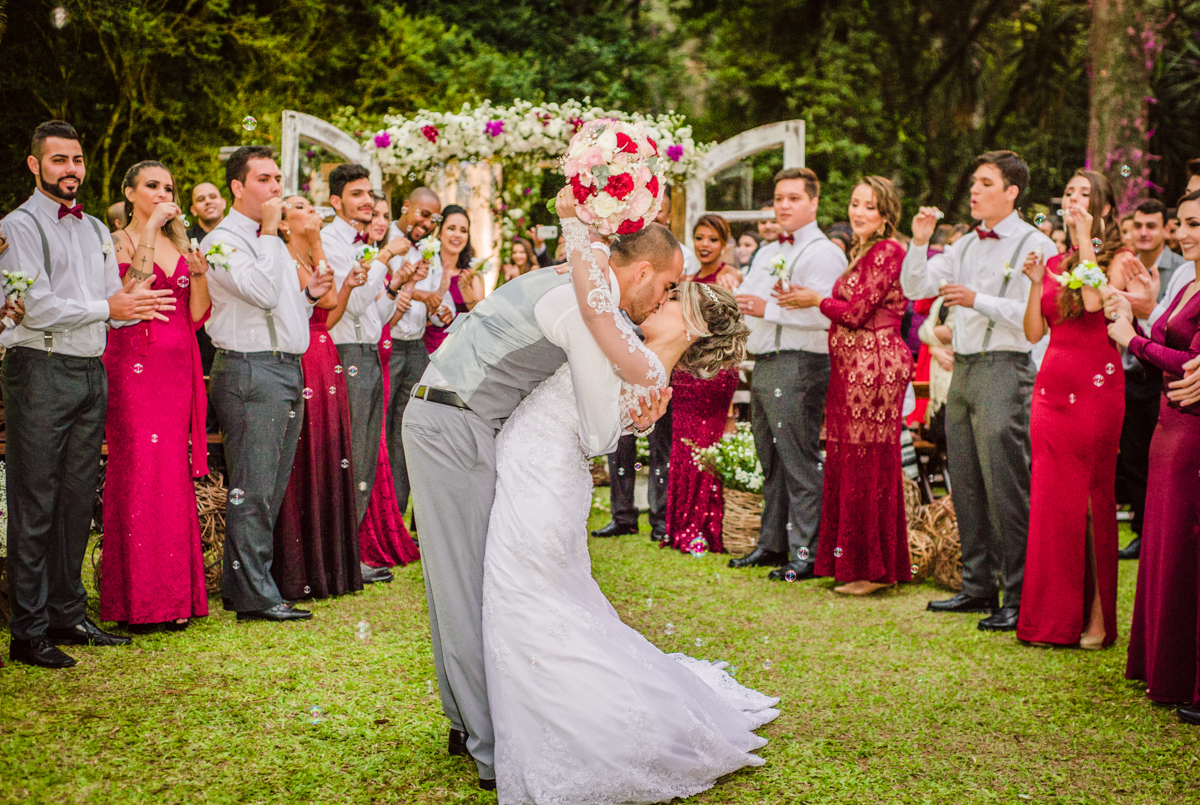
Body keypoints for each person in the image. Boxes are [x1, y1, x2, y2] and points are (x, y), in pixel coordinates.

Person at [401, 186, 678, 789]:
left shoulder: (575, 283)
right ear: (644, 269)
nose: (665, 298)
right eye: (667, 286)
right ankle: (490, 747)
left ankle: (465, 720)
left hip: (460, 422)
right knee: (465, 585)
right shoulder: (583, 305)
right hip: (453, 424)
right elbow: (600, 427)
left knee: (462, 580)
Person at [481, 279, 775, 804]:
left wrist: (582, 242)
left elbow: (602, 409)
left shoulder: (644, 361)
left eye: (673, 299)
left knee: (528, 594)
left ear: (697, 325)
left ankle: (575, 719)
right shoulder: (643, 358)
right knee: (542, 595)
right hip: (540, 464)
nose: (660, 299)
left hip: (544, 474)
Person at [1, 120, 175, 668]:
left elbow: (108, 299)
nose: (70, 169)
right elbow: (37, 305)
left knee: (77, 499)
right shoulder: (19, 225)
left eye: (76, 160)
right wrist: (110, 309)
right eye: (58, 160)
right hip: (39, 368)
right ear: (35, 165)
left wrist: (130, 302)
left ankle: (67, 613)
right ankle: (27, 631)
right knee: (35, 500)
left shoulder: (96, 227)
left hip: (88, 370)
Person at [900, 150, 1055, 632]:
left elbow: (1036, 317)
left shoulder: (1036, 244)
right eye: (973, 182)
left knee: (1005, 484)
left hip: (1006, 369)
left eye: (985, 183)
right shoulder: (965, 243)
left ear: (1012, 192)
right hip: (964, 371)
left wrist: (977, 300)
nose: (974, 190)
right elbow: (915, 285)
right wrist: (919, 242)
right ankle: (977, 585)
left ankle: (1019, 592)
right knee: (963, 478)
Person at [201, 145, 333, 623]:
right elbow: (257, 290)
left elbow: (281, 304)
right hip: (250, 369)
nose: (276, 188)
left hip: (284, 367)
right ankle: (256, 595)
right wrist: (273, 232)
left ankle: (245, 586)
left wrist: (308, 294)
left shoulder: (264, 240)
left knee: (271, 485)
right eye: (264, 179)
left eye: (278, 179)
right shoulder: (221, 241)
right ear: (238, 187)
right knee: (254, 487)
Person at [1016, 169, 1133, 649]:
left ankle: (1099, 618)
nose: (1074, 200)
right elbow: (1032, 333)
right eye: (1069, 193)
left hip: (1094, 387)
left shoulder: (1118, 259)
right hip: (1051, 388)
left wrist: (1086, 237)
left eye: (1086, 195)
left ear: (1105, 207)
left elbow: (1090, 304)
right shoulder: (1056, 258)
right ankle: (1051, 619)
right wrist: (1033, 281)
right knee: (1049, 502)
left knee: (1090, 498)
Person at [781, 177, 914, 595]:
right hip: (852, 364)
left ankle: (869, 570)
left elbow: (856, 312)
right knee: (849, 458)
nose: (858, 213)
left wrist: (815, 300)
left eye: (869, 207)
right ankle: (853, 562)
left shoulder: (889, 250)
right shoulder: (863, 252)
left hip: (874, 365)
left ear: (887, 214)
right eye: (855, 204)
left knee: (865, 461)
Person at [101, 160, 212, 632]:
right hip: (132, 368)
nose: (163, 193)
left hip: (177, 370)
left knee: (170, 472)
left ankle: (174, 599)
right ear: (130, 193)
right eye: (152, 186)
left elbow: (197, 313)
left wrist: (201, 274)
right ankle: (138, 601)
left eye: (168, 186)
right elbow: (134, 289)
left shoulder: (183, 244)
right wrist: (147, 228)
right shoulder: (116, 243)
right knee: (140, 472)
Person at [1107, 190, 1200, 724]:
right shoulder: (1186, 281)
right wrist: (1136, 322)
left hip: (1192, 431)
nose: (1184, 234)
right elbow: (1166, 348)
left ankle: (1188, 675)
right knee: (1164, 548)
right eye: (1181, 224)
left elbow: (1191, 362)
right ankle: (1163, 666)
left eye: (1195, 224)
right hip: (1167, 428)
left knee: (1188, 549)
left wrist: (1132, 341)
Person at [728, 167, 847, 581]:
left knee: (798, 459)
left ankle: (807, 552)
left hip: (800, 363)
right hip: (764, 361)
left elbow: (829, 315)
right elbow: (752, 300)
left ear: (813, 202)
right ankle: (771, 543)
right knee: (770, 458)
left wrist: (769, 310)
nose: (784, 204)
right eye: (779, 197)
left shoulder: (824, 253)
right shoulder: (765, 251)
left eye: (794, 197)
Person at [269, 194, 363, 600]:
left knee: (327, 453)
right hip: (302, 356)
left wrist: (343, 285)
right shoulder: (285, 261)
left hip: (325, 353)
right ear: (285, 223)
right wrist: (320, 245)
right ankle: (297, 564)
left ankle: (328, 563)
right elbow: (317, 302)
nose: (313, 213)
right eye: (302, 208)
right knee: (303, 457)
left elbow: (329, 312)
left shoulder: (308, 261)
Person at [319, 165, 405, 589]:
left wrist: (394, 287)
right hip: (343, 353)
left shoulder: (365, 242)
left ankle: (351, 552)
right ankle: (339, 557)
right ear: (336, 202)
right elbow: (349, 307)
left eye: (370, 194)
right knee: (348, 455)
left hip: (369, 354)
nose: (368, 201)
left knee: (367, 456)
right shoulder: (333, 242)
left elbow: (376, 312)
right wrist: (385, 258)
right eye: (357, 194)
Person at [664, 214, 744, 555]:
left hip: (715, 368)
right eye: (699, 238)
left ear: (723, 244)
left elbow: (728, 327)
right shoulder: (688, 279)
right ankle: (680, 525)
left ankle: (705, 527)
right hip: (685, 369)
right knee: (682, 446)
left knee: (705, 445)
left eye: (712, 239)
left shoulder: (729, 278)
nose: (705, 244)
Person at [1116, 198, 1187, 560]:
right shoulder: (1122, 265)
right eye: (1138, 225)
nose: (1144, 233)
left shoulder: (1184, 267)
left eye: (1152, 226)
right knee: (1132, 457)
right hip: (1129, 374)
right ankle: (1143, 530)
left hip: (1168, 376)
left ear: (1165, 230)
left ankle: (1162, 532)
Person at [357, 194, 420, 569]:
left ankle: (378, 531)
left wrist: (397, 289)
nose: (380, 222)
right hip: (367, 361)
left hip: (377, 357)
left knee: (378, 456)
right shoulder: (366, 260)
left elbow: (378, 319)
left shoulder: (375, 262)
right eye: (373, 215)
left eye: (384, 215)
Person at [381, 188, 441, 520]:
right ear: (405, 207)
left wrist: (437, 309)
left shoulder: (429, 250)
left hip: (416, 345)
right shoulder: (383, 239)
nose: (428, 223)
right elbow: (382, 285)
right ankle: (379, 517)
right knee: (381, 434)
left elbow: (432, 298)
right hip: (388, 343)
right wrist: (421, 293)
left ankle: (397, 520)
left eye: (434, 218)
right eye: (422, 214)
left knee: (408, 432)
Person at [421, 204, 480, 353]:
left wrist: (465, 289)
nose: (457, 235)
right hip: (428, 351)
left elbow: (480, 319)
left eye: (463, 230)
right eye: (451, 228)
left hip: (462, 352)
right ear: (439, 233)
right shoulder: (425, 269)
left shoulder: (471, 275)